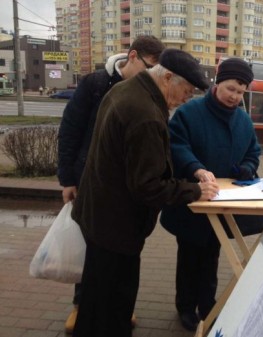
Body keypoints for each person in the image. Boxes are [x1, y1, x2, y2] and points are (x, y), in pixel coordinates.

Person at [70, 48, 219, 337]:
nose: (187, 99)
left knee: (94, 297)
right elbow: (148, 186)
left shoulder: (127, 89)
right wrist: (195, 191)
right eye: (187, 91)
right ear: (168, 78)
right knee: (115, 305)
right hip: (118, 224)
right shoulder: (146, 115)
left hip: (99, 214)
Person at [57, 35, 165, 333]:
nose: (152, 75)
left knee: (114, 255)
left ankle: (117, 308)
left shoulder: (145, 92)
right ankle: (81, 307)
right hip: (87, 178)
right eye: (149, 67)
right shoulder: (95, 84)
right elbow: (70, 130)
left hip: (119, 187)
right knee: (90, 249)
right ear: (132, 57)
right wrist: (67, 178)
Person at [160, 58, 262, 331]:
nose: (235, 97)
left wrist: (248, 167)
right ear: (218, 84)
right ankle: (185, 306)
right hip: (192, 201)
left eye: (241, 93)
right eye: (231, 89)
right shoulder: (190, 112)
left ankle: (207, 304)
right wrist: (196, 169)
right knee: (189, 256)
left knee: (212, 255)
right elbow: (176, 145)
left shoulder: (243, 120)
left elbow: (254, 151)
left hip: (222, 203)